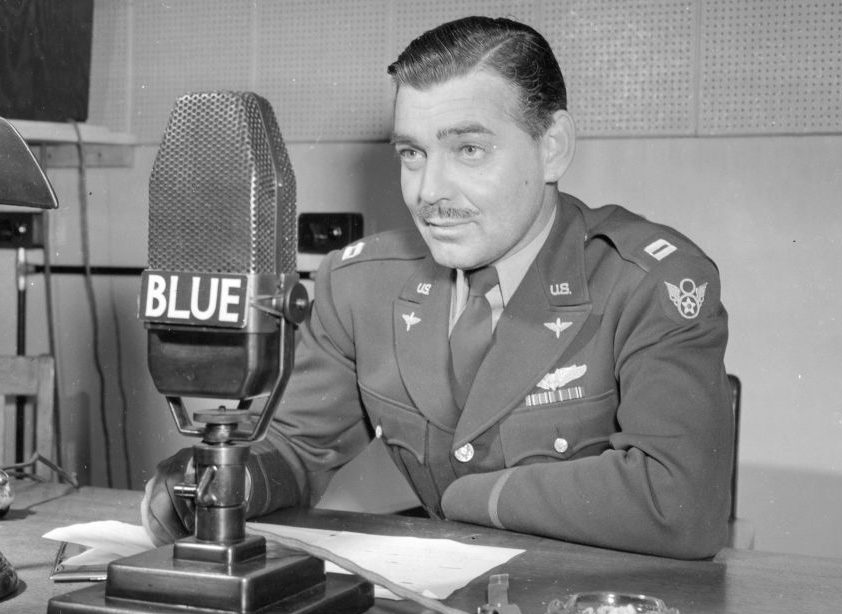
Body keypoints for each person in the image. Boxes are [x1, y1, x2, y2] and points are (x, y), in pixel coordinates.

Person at [142, 15, 734, 559]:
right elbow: (300, 447)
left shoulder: (647, 282)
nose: (429, 192)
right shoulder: (360, 285)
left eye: (468, 149)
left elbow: (679, 503)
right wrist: (224, 478)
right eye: (412, 153)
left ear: (552, 147)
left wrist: (465, 500)